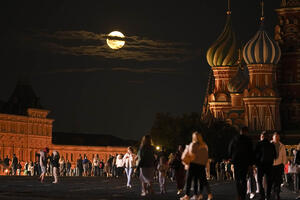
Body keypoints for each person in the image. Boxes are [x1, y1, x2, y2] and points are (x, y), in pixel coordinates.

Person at [180, 131, 213, 200]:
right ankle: (208, 195)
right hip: (201, 165)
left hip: (193, 164)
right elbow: (206, 156)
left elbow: (189, 154)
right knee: (203, 180)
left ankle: (188, 195)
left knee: (189, 179)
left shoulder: (193, 144)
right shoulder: (204, 145)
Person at [228, 127, 254, 200]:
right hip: (245, 162)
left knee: (237, 179)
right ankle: (243, 195)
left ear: (240, 132)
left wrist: (231, 159)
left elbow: (230, 149)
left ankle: (239, 195)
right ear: (246, 132)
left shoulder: (234, 139)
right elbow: (251, 152)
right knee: (243, 179)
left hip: (236, 162)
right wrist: (251, 164)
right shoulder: (248, 140)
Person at [254, 131, 277, 200]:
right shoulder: (271, 145)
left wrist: (256, 163)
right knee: (269, 181)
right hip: (269, 165)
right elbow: (275, 156)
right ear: (268, 137)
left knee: (259, 181)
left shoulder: (259, 144)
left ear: (262, 137)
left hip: (261, 165)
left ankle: (262, 195)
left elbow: (255, 154)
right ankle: (268, 195)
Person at [271, 132, 287, 200]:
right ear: (273, 138)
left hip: (279, 165)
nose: (277, 139)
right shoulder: (269, 144)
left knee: (278, 181)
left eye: (278, 137)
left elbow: (284, 156)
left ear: (279, 138)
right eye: (275, 137)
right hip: (271, 165)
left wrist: (283, 164)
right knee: (272, 181)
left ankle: (277, 194)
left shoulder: (282, 146)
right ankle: (273, 193)